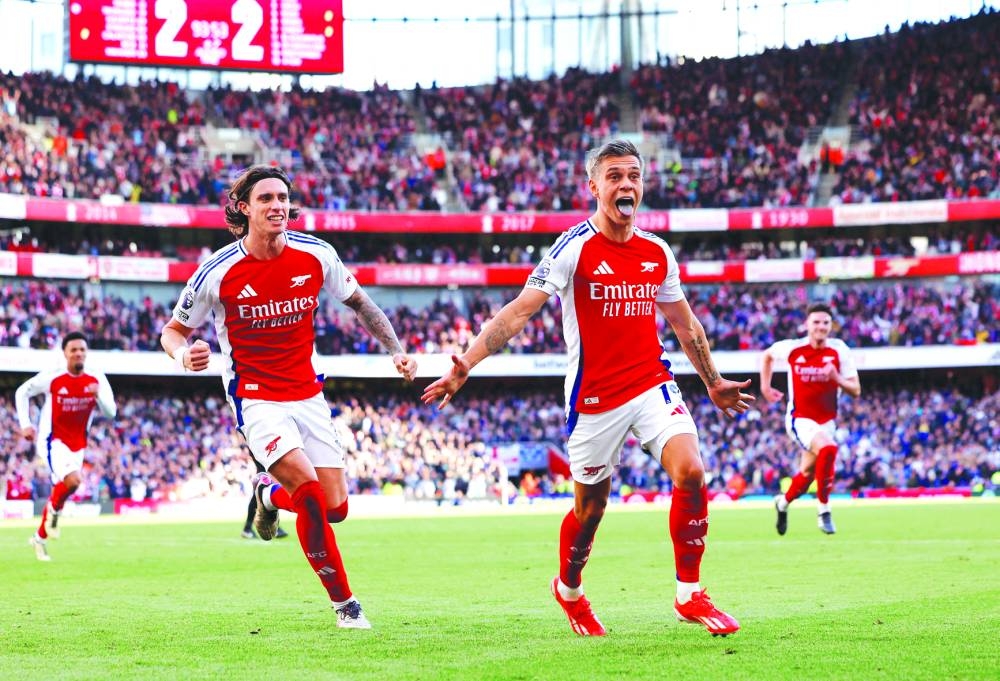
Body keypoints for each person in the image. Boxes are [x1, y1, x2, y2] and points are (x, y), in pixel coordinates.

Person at [422, 139, 752, 637]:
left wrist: (713, 382)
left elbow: (687, 327)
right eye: (615, 175)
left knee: (691, 471)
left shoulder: (657, 252)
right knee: (590, 508)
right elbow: (519, 311)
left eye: (634, 175)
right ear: (593, 185)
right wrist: (466, 363)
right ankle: (569, 590)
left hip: (652, 383)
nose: (626, 184)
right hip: (594, 397)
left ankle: (689, 594)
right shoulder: (574, 248)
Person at [160, 165, 416, 629]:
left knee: (336, 508)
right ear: (244, 208)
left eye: (282, 197)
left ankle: (269, 495)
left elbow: (361, 303)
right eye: (266, 199)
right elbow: (173, 331)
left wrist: (396, 351)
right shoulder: (216, 272)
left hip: (308, 394)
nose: (278, 206)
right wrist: (184, 357)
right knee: (313, 495)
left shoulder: (317, 254)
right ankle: (346, 606)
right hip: (256, 399)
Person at [760, 302, 861, 535]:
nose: (821, 327)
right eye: (816, 322)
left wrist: (836, 377)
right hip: (800, 419)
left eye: (825, 322)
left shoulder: (839, 350)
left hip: (827, 421)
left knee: (807, 474)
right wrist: (765, 387)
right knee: (828, 448)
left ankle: (782, 503)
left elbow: (855, 390)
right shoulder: (793, 349)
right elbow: (766, 356)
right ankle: (824, 510)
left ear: (831, 325)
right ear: (806, 324)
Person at [15, 331, 116, 561]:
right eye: (74, 350)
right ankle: (53, 512)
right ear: (65, 354)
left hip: (78, 442)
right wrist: (25, 424)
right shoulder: (53, 376)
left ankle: (39, 538)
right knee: (74, 480)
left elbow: (111, 413)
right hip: (52, 440)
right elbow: (23, 392)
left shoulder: (96, 378)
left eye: (82, 350)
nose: (79, 353)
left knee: (67, 486)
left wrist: (98, 395)